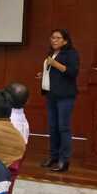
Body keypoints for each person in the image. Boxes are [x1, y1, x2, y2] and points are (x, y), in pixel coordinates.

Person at [37, 29, 79, 172]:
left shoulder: (71, 54)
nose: (53, 40)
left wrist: (55, 65)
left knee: (63, 128)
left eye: (57, 38)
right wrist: (43, 74)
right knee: (53, 128)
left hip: (65, 96)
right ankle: (53, 157)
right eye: (52, 37)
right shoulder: (52, 53)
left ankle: (64, 161)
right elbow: (56, 72)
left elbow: (72, 72)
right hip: (51, 95)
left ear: (65, 41)